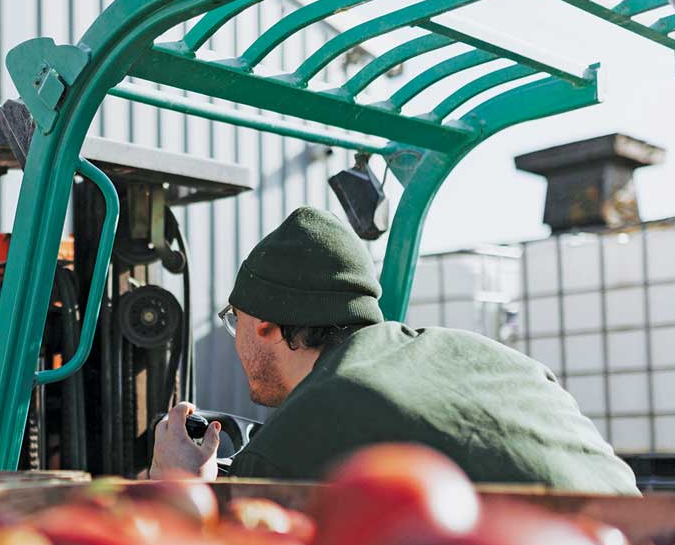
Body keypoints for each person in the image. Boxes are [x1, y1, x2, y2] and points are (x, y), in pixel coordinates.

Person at [150, 207, 639, 495]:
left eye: (234, 319)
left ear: (265, 327)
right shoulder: (478, 352)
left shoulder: (305, 428)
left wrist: (180, 488)